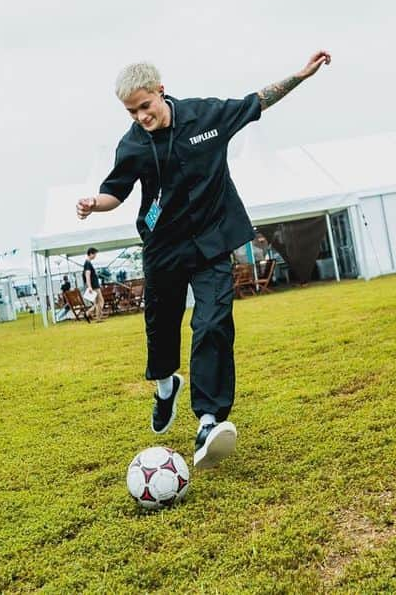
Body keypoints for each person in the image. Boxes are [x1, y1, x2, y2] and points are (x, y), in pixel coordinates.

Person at [75, 51, 331, 468]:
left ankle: (209, 421)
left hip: (212, 241)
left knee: (212, 323)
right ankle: (165, 387)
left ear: (161, 91)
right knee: (160, 329)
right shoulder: (133, 144)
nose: (141, 116)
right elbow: (115, 192)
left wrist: (300, 75)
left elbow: (258, 101)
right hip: (163, 248)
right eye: (131, 111)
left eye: (145, 105)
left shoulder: (206, 116)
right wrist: (93, 204)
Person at [82, 247, 105, 322]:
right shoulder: (87, 263)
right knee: (100, 301)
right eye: (95, 254)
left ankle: (91, 315)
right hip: (94, 285)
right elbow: (87, 275)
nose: (95, 256)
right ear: (91, 254)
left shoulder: (88, 263)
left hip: (94, 285)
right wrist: (89, 287)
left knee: (97, 302)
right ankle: (90, 314)